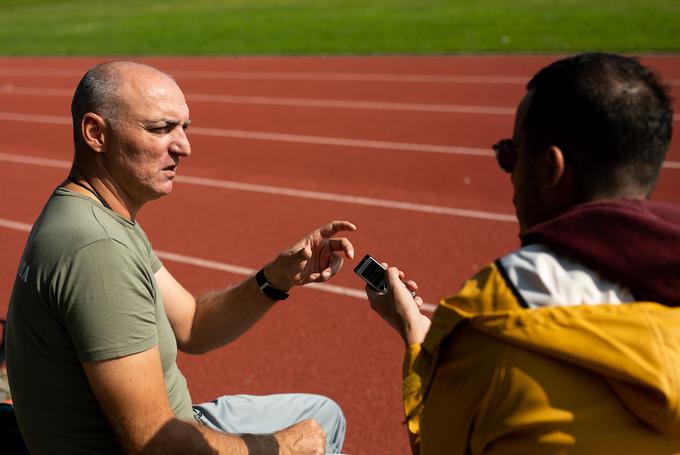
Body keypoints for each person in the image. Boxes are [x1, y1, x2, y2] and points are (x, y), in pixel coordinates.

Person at [5, 61, 355, 455]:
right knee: (316, 432)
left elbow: (192, 324)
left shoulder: (97, 214)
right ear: (95, 133)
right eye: (161, 129)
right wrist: (282, 446)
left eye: (184, 128)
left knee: (323, 414)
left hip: (180, 425)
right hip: (170, 441)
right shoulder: (98, 249)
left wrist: (275, 279)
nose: (184, 147)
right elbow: (155, 443)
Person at [367, 52, 680, 454]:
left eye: (510, 154)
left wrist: (416, 338)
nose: (510, 173)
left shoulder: (489, 315)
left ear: (551, 168)